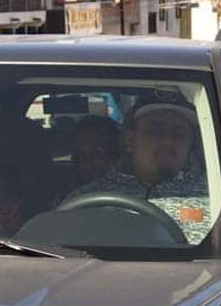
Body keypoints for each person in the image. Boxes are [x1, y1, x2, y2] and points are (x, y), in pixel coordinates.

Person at [65, 93, 210, 244]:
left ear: (190, 144)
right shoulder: (89, 198)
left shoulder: (213, 196)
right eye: (155, 131)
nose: (168, 141)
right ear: (130, 141)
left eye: (178, 134)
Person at [72, 114, 120, 185]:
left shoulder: (134, 192)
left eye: (97, 155)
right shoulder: (71, 195)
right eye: (79, 156)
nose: (85, 165)